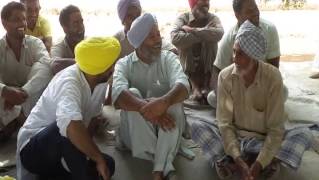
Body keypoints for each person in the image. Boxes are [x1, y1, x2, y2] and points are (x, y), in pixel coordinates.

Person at [191, 20, 312, 180]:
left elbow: (275, 129)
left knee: (304, 134)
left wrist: (260, 162)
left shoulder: (273, 77)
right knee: (198, 126)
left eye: (240, 54)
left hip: (262, 141)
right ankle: (234, 162)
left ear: (254, 56)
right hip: (235, 138)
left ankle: (261, 163)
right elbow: (225, 124)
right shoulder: (225, 77)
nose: (234, 58)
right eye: (234, 52)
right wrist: (237, 156)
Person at [17, 37, 120, 180]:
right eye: (113, 64)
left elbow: (89, 123)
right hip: (34, 151)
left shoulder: (100, 82)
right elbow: (71, 126)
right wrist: (97, 158)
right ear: (103, 69)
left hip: (63, 153)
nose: (115, 67)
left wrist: (91, 158)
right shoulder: (69, 82)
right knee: (64, 130)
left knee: (108, 164)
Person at [112, 13, 190, 180]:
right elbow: (118, 95)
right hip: (136, 133)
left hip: (167, 123)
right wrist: (151, 111)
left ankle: (158, 169)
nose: (158, 40)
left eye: (158, 34)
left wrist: (164, 102)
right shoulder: (123, 64)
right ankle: (165, 163)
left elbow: (183, 85)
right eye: (152, 37)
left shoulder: (169, 58)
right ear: (139, 42)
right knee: (131, 95)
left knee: (175, 103)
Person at [208, 0, 282, 107]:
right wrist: (225, 96)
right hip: (237, 89)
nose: (255, 13)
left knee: (282, 92)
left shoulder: (269, 29)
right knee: (212, 97)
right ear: (237, 15)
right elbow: (216, 71)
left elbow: (274, 67)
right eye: (250, 11)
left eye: (256, 8)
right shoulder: (230, 37)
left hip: (262, 85)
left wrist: (260, 90)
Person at [0, 1, 52, 142]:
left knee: (41, 68)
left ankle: (14, 122)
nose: (23, 23)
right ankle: (19, 120)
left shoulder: (35, 43)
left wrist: (23, 91)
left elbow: (46, 67)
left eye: (23, 19)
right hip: (6, 99)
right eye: (16, 20)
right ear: (4, 24)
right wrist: (5, 91)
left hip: (29, 96)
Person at [171, 0, 224, 105]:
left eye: (208, 1)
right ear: (194, 3)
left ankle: (206, 85)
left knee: (211, 40)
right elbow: (175, 38)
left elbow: (219, 34)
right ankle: (195, 87)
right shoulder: (183, 18)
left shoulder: (213, 18)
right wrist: (205, 32)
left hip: (207, 67)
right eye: (203, 0)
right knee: (187, 42)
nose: (207, 3)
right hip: (189, 68)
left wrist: (192, 30)